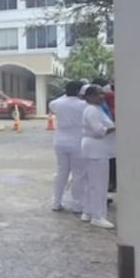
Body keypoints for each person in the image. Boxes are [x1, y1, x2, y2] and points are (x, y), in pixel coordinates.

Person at [80, 84, 116, 229]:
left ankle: (88, 211)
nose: (101, 96)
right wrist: (115, 127)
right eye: (97, 94)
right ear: (89, 96)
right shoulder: (92, 111)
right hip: (96, 149)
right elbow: (98, 131)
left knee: (93, 183)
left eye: (102, 94)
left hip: (96, 149)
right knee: (99, 184)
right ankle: (98, 216)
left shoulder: (95, 109)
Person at [49, 80, 88, 213]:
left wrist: (67, 94)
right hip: (77, 141)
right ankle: (77, 205)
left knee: (61, 172)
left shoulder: (56, 104)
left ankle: (56, 202)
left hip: (60, 141)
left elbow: (55, 102)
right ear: (80, 91)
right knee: (78, 174)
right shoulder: (84, 105)